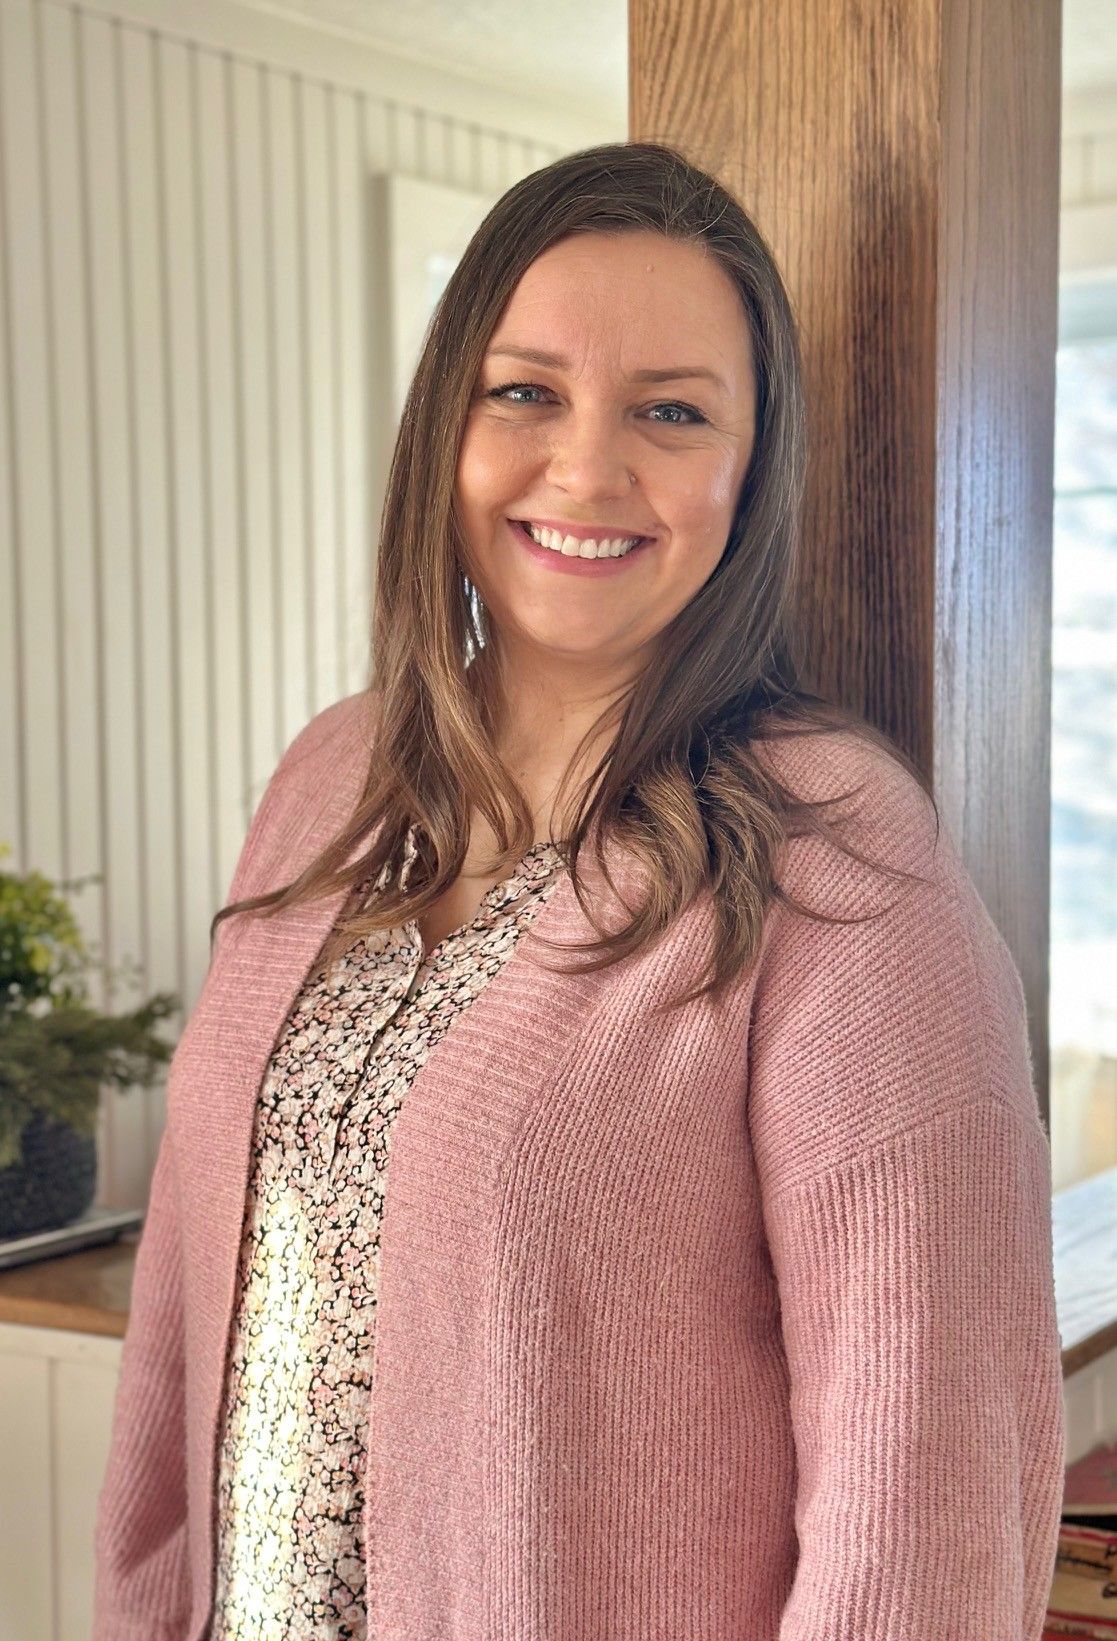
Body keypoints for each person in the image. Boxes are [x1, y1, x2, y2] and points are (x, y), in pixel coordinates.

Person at [92, 141, 1065, 1641]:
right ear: (446, 429)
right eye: (525, 391)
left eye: (670, 411)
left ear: (750, 472)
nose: (586, 469)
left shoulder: (833, 857)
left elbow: (924, 1499)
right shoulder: (330, 780)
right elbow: (182, 1313)